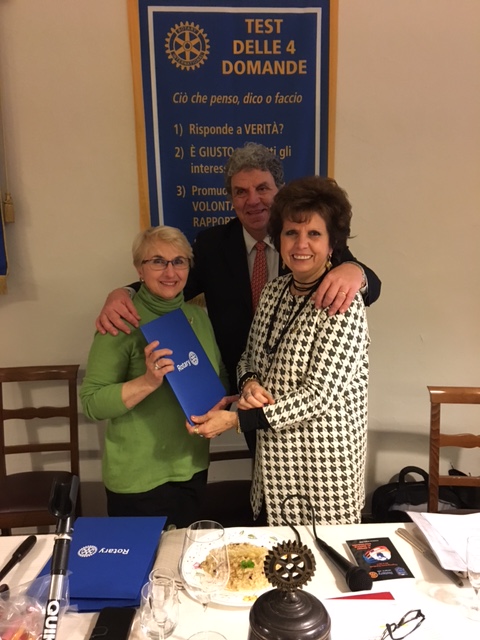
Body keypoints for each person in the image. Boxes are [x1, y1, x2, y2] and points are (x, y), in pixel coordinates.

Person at [95, 143, 381, 454]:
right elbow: (172, 282)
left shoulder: (307, 239)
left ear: (279, 191)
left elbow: (371, 286)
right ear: (231, 198)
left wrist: (355, 270)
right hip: (244, 388)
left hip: (309, 416)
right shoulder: (212, 245)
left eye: (262, 188)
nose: (252, 200)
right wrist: (124, 292)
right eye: (241, 191)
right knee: (263, 470)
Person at [186, 176, 369, 527]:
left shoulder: (343, 303)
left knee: (319, 560)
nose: (301, 244)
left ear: (332, 243)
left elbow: (319, 396)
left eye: (314, 234)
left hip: (323, 470)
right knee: (274, 555)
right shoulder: (273, 291)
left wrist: (237, 420)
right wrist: (250, 384)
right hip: (271, 465)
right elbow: (248, 357)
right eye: (291, 233)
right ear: (278, 238)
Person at [80, 226, 229, 528]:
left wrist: (219, 411)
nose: (170, 272)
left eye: (179, 261)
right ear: (140, 269)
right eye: (158, 261)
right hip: (138, 477)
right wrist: (147, 382)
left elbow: (220, 376)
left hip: (191, 467)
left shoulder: (198, 317)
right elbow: (92, 403)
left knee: (185, 555)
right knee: (145, 560)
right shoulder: (121, 319)